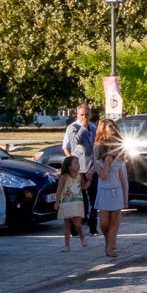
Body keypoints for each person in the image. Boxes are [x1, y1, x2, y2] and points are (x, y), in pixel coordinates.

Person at [89, 119, 128, 258]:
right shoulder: (98, 146)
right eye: (107, 127)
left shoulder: (119, 145)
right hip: (103, 190)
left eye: (112, 126)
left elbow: (123, 174)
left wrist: (125, 196)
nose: (111, 129)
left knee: (114, 220)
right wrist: (91, 172)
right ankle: (109, 241)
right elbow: (95, 164)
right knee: (104, 223)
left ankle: (110, 246)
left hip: (116, 188)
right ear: (102, 129)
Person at [63, 104, 98, 236]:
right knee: (78, 198)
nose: (85, 117)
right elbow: (74, 142)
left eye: (87, 114)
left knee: (93, 197)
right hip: (78, 168)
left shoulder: (94, 127)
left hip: (92, 167)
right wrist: (83, 127)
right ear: (77, 115)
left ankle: (93, 226)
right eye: (82, 115)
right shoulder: (72, 127)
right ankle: (75, 229)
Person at [54, 156, 88, 252]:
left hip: (77, 201)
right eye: (75, 163)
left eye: (78, 163)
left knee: (77, 222)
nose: (78, 165)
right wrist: (57, 201)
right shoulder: (64, 177)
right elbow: (59, 189)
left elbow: (84, 187)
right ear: (69, 166)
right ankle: (67, 246)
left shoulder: (80, 176)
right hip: (67, 202)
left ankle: (81, 234)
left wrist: (89, 180)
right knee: (67, 224)